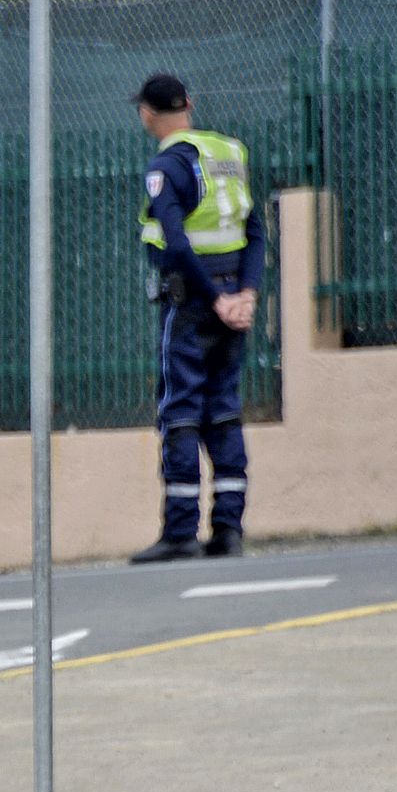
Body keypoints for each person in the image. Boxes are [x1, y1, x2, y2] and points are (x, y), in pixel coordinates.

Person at [130, 73, 266, 564]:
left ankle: (180, 531)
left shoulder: (167, 165)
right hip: (234, 297)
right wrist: (244, 294)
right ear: (190, 102)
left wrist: (211, 299)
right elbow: (255, 230)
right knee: (224, 408)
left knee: (180, 410)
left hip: (191, 301)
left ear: (148, 113)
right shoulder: (228, 153)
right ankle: (228, 528)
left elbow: (175, 240)